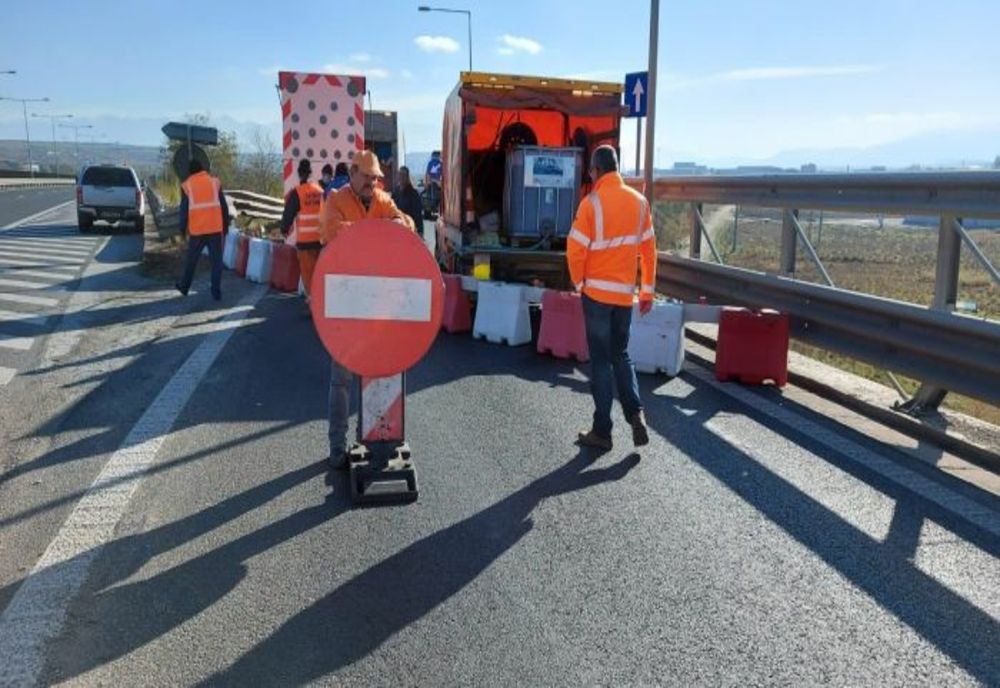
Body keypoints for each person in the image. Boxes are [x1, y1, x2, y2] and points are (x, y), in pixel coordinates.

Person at [320, 150, 416, 469]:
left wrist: (396, 224)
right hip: (346, 301)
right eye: (367, 176)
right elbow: (332, 232)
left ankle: (375, 437)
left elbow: (409, 225)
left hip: (377, 301)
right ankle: (337, 446)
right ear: (352, 174)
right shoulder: (335, 199)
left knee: (379, 372)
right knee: (342, 379)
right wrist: (378, 232)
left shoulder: (382, 201)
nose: (372, 182)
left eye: (376, 178)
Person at [567, 145, 656, 450]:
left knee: (601, 362)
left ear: (596, 171)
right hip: (623, 299)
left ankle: (602, 432)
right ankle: (636, 414)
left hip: (596, 296)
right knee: (621, 355)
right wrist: (647, 291)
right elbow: (648, 251)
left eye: (591, 171)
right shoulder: (640, 202)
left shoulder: (591, 203)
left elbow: (575, 248)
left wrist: (579, 283)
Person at [175, 160, 229, 300]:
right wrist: (226, 226)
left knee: (191, 261)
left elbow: (183, 211)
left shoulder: (187, 186)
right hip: (215, 229)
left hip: (197, 231)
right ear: (202, 169)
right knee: (216, 262)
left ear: (190, 172)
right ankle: (216, 292)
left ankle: (184, 287)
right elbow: (224, 207)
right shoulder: (214, 182)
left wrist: (182, 229)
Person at [280, 159, 324, 300]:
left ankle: (313, 305)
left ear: (299, 174)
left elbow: (288, 214)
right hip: (321, 241)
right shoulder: (320, 191)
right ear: (311, 174)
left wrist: (284, 229)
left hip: (305, 243)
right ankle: (322, 302)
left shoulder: (297, 193)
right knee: (321, 273)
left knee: (309, 276)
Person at [392, 166, 424, 235]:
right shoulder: (396, 192)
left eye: (403, 175)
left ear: (407, 177)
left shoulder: (413, 193)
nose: (401, 177)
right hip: (397, 227)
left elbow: (418, 215)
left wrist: (420, 232)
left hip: (409, 228)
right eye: (400, 175)